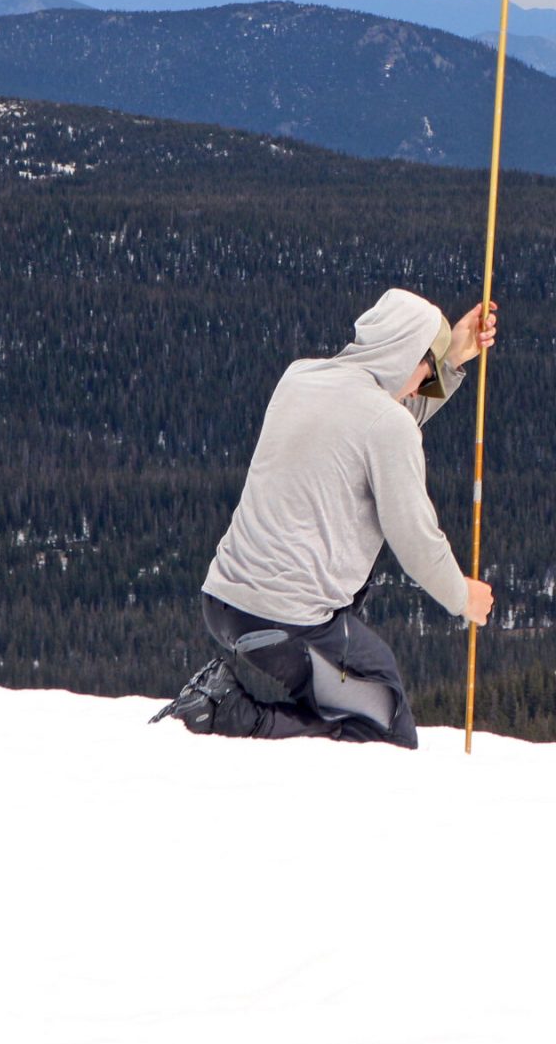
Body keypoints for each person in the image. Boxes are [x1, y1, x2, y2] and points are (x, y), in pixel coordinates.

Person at [157, 288, 497, 746]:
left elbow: (380, 415)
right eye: (427, 369)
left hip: (224, 602)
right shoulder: (386, 423)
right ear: (402, 354)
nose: (423, 385)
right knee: (381, 718)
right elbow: (415, 538)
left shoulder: (300, 377)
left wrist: (451, 359)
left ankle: (235, 713)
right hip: (286, 620)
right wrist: (464, 598)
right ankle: (225, 713)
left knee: (342, 699)